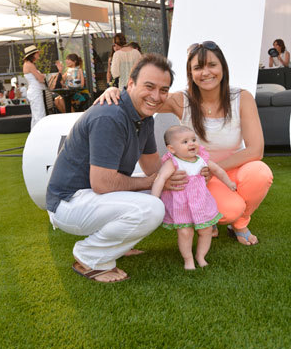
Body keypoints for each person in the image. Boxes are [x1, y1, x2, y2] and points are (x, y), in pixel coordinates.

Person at [96, 41, 273, 246]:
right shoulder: (182, 100)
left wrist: (211, 168)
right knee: (230, 209)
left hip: (230, 168)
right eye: (198, 67)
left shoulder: (242, 98)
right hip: (200, 176)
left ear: (222, 67)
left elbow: (255, 150)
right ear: (191, 73)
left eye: (212, 65)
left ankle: (240, 224)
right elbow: (143, 98)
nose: (206, 72)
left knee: (260, 173)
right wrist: (115, 93)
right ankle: (217, 216)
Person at [46, 54, 174, 283]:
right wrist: (150, 182)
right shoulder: (110, 115)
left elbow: (153, 166)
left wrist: (186, 169)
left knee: (162, 190)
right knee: (152, 207)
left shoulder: (144, 118)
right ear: (131, 84)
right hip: (68, 203)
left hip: (92, 196)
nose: (156, 96)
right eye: (149, 86)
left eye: (163, 90)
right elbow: (103, 184)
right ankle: (90, 257)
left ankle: (115, 247)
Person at [152, 125, 236, 270]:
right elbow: (160, 178)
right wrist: (154, 199)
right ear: (172, 149)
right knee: (185, 232)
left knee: (206, 230)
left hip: (201, 203)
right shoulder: (172, 163)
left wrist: (229, 183)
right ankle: (188, 259)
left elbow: (218, 170)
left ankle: (201, 255)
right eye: (185, 142)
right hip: (181, 205)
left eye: (193, 139)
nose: (191, 143)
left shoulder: (201, 160)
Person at [22, 45, 46, 129]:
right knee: (39, 113)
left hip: (34, 90)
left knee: (36, 114)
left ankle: (35, 134)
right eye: (37, 53)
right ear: (33, 54)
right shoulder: (30, 65)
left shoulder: (27, 64)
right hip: (35, 91)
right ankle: (40, 133)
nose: (38, 54)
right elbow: (39, 79)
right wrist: (43, 76)